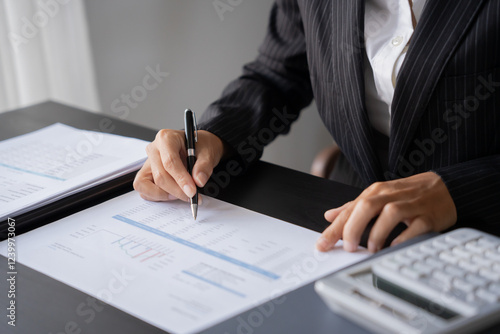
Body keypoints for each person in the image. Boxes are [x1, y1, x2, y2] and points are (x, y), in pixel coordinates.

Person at [134, 0, 500, 253]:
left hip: (481, 225)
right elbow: (279, 72)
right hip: (353, 221)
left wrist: (458, 190)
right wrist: (214, 135)